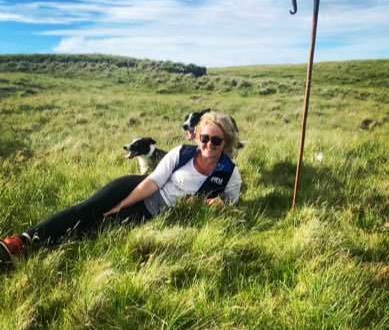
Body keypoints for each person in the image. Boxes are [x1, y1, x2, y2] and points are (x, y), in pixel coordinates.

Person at [0, 111, 242, 270]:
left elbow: (232, 205)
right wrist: (121, 204)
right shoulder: (182, 152)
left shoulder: (229, 174)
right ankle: (19, 242)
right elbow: (153, 181)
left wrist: (223, 207)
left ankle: (32, 252)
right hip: (138, 187)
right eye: (204, 138)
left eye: (216, 141)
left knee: (96, 227)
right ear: (198, 136)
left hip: (155, 211)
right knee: (87, 208)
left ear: (226, 142)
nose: (208, 144)